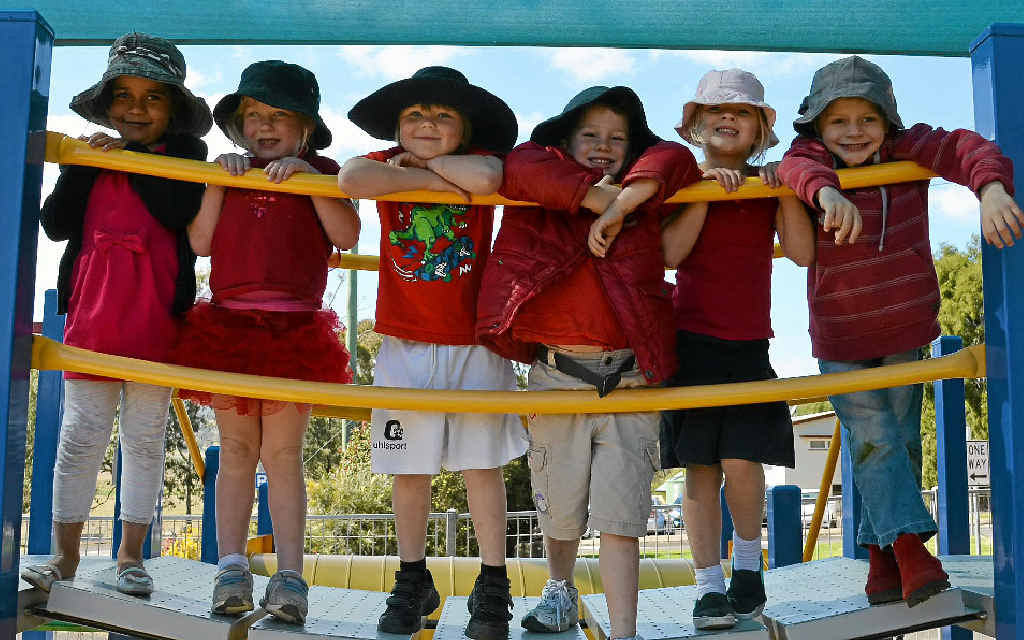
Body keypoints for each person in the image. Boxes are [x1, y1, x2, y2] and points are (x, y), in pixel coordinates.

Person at [778, 55, 1024, 608]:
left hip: (904, 325)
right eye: (838, 121)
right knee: (872, 439)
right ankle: (911, 549)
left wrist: (990, 190)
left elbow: (966, 146)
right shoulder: (809, 159)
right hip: (841, 332)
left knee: (901, 443)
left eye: (867, 118)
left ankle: (882, 563)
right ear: (818, 126)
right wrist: (828, 193)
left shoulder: (908, 150)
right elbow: (793, 169)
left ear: (888, 120)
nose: (854, 132)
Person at [476, 86, 700, 640]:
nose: (604, 146)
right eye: (590, 135)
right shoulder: (541, 195)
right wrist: (595, 201)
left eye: (617, 138)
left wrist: (622, 203)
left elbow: (678, 158)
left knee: (622, 515)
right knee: (561, 505)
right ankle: (559, 591)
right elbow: (520, 165)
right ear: (564, 142)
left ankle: (624, 629)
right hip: (558, 375)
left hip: (630, 377)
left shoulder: (644, 198)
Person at [338, 66, 525, 639]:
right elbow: (350, 178)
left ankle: (493, 582)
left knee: (481, 467)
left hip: (475, 341)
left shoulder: (478, 162)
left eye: (444, 116)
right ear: (397, 126)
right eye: (415, 115)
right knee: (408, 469)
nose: (427, 124)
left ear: (464, 129)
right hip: (405, 341)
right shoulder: (381, 158)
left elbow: (489, 176)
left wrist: (426, 173)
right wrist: (438, 183)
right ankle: (413, 576)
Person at [22, 32, 210, 598]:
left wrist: (127, 160)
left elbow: (177, 210)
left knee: (145, 440)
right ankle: (66, 556)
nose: (135, 108)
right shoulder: (89, 157)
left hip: (154, 319)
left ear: (173, 110)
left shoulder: (184, 158)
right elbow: (56, 224)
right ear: (106, 105)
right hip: (93, 319)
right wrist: (81, 164)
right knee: (80, 438)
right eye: (123, 95)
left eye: (152, 98)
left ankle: (132, 556)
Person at [177, 60, 359, 624]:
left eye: (280, 115)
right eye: (253, 115)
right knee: (234, 451)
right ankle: (230, 566)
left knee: (282, 454)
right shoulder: (229, 171)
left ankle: (290, 575)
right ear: (237, 126)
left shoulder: (321, 170)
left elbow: (348, 236)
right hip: (229, 326)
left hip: (294, 332)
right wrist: (217, 180)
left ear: (306, 127)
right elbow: (201, 242)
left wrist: (304, 176)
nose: (264, 125)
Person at [659, 69, 814, 630]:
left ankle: (748, 568)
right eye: (716, 112)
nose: (729, 119)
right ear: (696, 126)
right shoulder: (684, 183)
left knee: (743, 463)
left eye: (743, 113)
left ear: (759, 132)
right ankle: (707, 586)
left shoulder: (766, 185)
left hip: (748, 344)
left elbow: (800, 253)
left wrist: (784, 191)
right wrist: (703, 193)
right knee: (699, 469)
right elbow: (669, 255)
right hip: (691, 343)